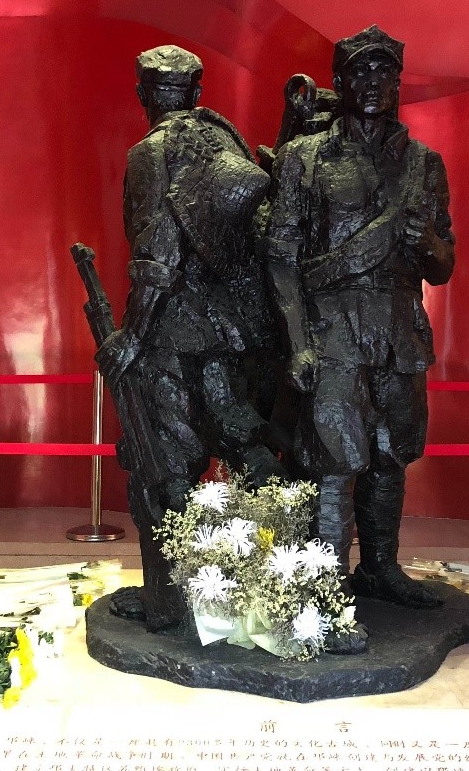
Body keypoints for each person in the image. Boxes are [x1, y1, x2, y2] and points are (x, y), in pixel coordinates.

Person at [264, 26, 455, 610]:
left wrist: (428, 244)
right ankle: (324, 588)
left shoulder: (424, 164)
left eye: (384, 72)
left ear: (398, 83)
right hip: (331, 328)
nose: (373, 83)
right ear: (340, 83)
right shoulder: (304, 159)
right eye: (360, 72)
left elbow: (444, 265)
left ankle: (380, 568)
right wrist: (297, 342)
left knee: (391, 452)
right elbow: (280, 256)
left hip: (398, 330)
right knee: (333, 457)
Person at [98, 44, 285, 631]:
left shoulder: (151, 152)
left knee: (165, 465)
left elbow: (157, 253)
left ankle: (171, 599)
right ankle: (283, 583)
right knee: (243, 444)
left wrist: (133, 336)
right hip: (237, 332)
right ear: (197, 93)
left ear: (143, 95)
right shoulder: (227, 143)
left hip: (173, 334)